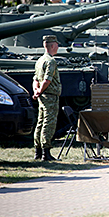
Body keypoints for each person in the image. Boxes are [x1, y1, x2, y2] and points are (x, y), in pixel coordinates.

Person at [32, 34, 61, 164]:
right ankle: (46, 152)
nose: (58, 47)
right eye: (57, 45)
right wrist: (40, 90)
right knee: (48, 123)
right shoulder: (51, 61)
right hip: (50, 96)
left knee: (40, 122)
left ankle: (37, 151)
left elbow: (35, 79)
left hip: (42, 96)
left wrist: (36, 91)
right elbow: (47, 80)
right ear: (53, 45)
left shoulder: (40, 60)